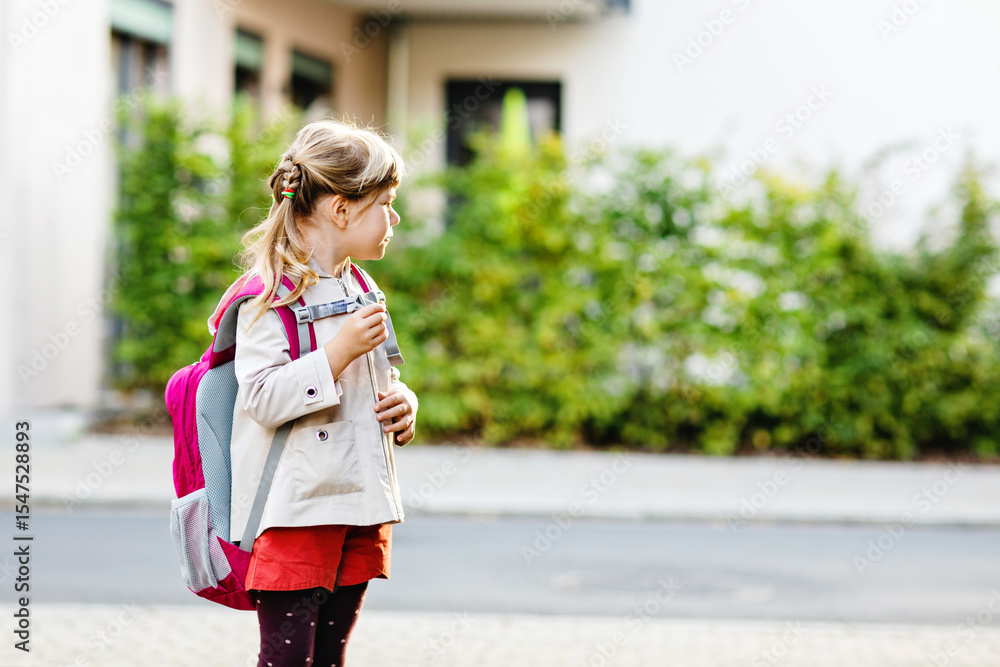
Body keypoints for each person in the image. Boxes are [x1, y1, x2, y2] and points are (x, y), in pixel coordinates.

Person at [229, 119, 417, 667]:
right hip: (297, 514)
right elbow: (261, 398)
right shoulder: (270, 294)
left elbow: (377, 379)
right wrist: (337, 352)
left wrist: (403, 401)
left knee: (330, 659)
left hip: (356, 505)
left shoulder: (361, 285)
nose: (394, 218)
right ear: (341, 209)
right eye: (385, 204)